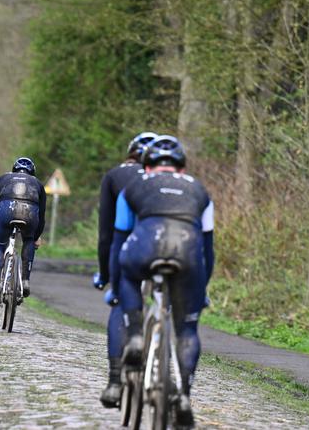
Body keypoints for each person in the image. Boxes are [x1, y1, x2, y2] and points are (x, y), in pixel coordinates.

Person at [117, 135, 215, 427]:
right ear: (182, 169)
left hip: (146, 246)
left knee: (126, 272)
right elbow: (208, 250)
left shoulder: (134, 186)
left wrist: (113, 276)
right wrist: (201, 288)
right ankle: (183, 394)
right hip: (188, 254)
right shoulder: (201, 191)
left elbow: (118, 240)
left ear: (146, 167)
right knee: (187, 330)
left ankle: (135, 335)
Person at [94, 132, 157, 408]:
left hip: (130, 251)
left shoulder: (115, 176)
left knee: (121, 302)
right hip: (172, 251)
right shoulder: (175, 180)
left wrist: (107, 277)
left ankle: (115, 381)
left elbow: (107, 234)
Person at [0, 157, 46, 309]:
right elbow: (42, 216)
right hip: (29, 214)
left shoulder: (3, 179)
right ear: (33, 172)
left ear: (13, 170)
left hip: (6, 211)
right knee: (29, 240)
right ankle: (25, 281)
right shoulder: (38, 184)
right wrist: (36, 237)